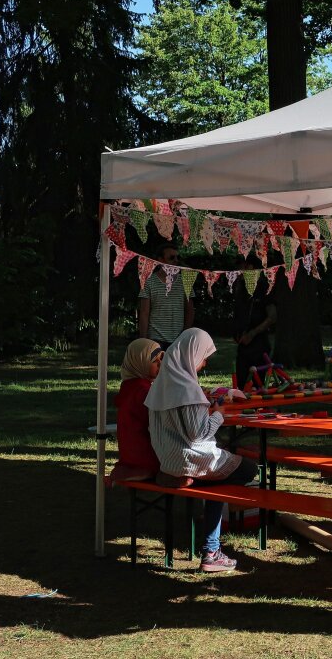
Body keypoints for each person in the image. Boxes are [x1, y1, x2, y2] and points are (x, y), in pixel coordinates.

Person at [147, 328, 258, 573]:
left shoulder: (160, 385)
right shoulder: (188, 388)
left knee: (218, 482)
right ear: (191, 354)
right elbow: (199, 433)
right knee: (248, 470)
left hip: (168, 459)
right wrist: (219, 414)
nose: (204, 362)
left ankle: (211, 543)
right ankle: (211, 550)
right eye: (203, 356)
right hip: (193, 460)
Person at [111, 339, 164, 482]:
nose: (160, 363)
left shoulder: (129, 386)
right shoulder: (143, 391)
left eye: (161, 358)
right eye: (155, 361)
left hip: (129, 455)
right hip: (145, 457)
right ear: (140, 362)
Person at [138, 243, 194, 351]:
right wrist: (143, 340)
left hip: (178, 338)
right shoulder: (149, 281)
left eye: (178, 257)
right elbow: (144, 312)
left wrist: (184, 335)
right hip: (155, 339)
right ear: (160, 261)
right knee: (156, 368)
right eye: (171, 258)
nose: (176, 260)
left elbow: (190, 310)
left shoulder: (185, 281)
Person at [233, 256, 277, 388]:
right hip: (243, 346)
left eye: (241, 267)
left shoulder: (264, 287)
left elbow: (272, 317)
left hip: (259, 346)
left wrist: (252, 333)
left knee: (258, 385)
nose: (238, 272)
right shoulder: (240, 288)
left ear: (250, 267)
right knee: (241, 385)